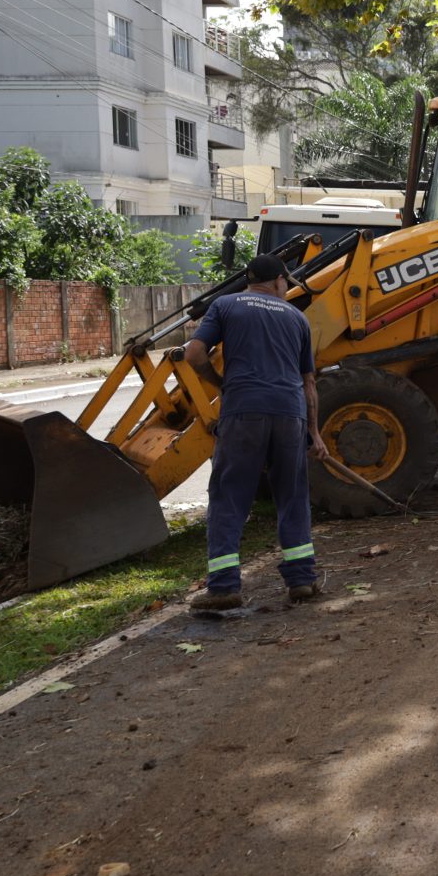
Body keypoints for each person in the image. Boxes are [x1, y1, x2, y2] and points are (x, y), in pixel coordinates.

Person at [183, 254, 329, 609]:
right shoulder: (296, 317)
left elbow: (193, 354)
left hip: (243, 411)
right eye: (286, 283)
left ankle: (224, 587)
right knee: (292, 495)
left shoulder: (225, 305)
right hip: (289, 414)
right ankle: (302, 581)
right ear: (279, 280)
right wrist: (315, 432)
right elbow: (309, 384)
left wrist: (221, 384)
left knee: (229, 496)